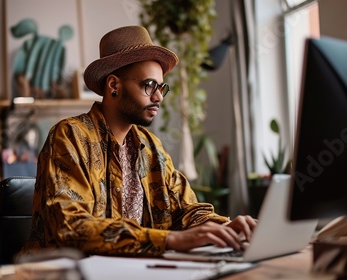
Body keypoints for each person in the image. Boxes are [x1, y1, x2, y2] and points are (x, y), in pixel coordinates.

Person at [19, 26, 257, 258]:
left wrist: (225, 227)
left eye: (161, 87)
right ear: (114, 85)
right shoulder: (69, 136)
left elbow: (187, 210)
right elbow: (71, 227)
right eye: (149, 86)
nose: (159, 97)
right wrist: (170, 240)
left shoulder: (152, 147)